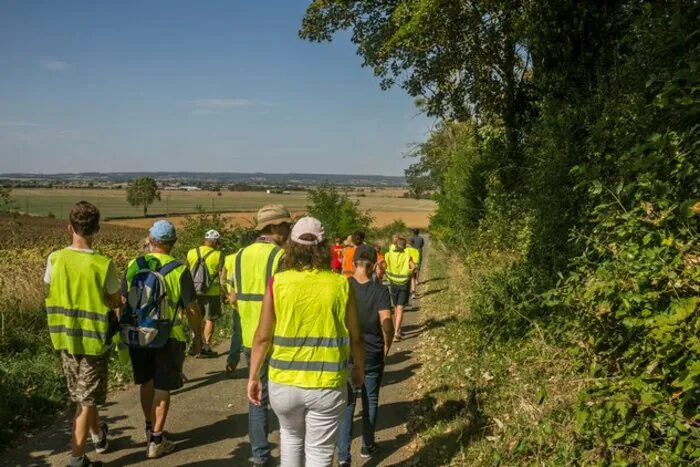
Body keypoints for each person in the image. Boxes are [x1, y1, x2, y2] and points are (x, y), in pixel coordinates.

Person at [247, 217, 365, 467]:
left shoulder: (278, 282)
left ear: (291, 245)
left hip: (284, 382)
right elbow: (357, 337)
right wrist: (359, 369)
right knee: (320, 452)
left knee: (290, 440)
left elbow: (262, 337)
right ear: (323, 247)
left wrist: (254, 376)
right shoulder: (340, 285)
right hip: (327, 384)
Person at [44, 201, 121, 467]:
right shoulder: (103, 264)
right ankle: (76, 458)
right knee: (86, 399)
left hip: (64, 337)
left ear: (70, 228)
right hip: (93, 341)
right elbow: (115, 299)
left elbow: (50, 285)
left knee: (85, 394)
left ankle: (98, 437)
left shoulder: (55, 258)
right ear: (96, 229)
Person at [122, 220, 202, 459]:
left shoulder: (134, 265)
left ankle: (148, 428)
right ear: (173, 243)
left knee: (145, 382)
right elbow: (191, 308)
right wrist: (198, 336)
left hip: (138, 333)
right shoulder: (179, 269)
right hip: (168, 336)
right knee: (163, 386)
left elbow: (124, 302)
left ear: (150, 239)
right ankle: (157, 440)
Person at [224, 204, 292, 466]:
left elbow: (234, 297)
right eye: (285, 225)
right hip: (276, 337)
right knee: (285, 399)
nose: (288, 229)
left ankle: (260, 454)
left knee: (256, 399)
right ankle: (289, 452)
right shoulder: (279, 257)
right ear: (274, 228)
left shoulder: (239, 256)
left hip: (249, 337)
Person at [337, 245, 394, 466]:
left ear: (354, 265)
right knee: (370, 399)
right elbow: (386, 322)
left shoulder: (344, 287)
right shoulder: (379, 291)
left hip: (347, 353)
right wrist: (387, 342)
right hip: (372, 353)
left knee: (348, 404)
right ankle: (367, 446)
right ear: (372, 266)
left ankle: (343, 456)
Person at [186, 229, 223, 358]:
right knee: (210, 318)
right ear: (216, 242)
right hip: (211, 292)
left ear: (205, 240)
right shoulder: (218, 255)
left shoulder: (191, 252)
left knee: (195, 318)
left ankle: (194, 344)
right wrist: (225, 294)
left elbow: (186, 271)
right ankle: (206, 347)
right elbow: (221, 277)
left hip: (193, 291)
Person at [382, 237, 415, 342]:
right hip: (403, 283)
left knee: (396, 307)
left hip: (393, 283)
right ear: (405, 247)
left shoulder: (389, 254)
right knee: (400, 308)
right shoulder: (407, 256)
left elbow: (382, 264)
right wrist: (409, 274)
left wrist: (386, 272)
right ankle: (396, 333)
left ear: (396, 245)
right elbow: (414, 267)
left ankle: (398, 329)